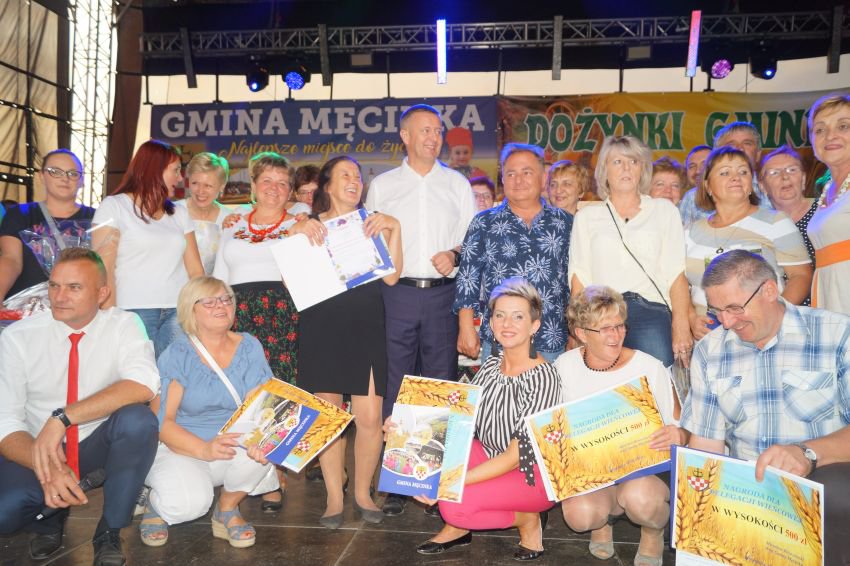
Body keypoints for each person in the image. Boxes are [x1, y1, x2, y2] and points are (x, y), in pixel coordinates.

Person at [682, 249, 850, 566]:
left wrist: (807, 453)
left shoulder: (837, 334)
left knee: (839, 493)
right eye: (717, 311)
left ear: (770, 291)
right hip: (747, 492)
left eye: (734, 308)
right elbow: (706, 448)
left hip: (822, 479)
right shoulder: (709, 352)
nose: (727, 322)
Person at [0, 247, 160, 565]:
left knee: (138, 421)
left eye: (74, 287)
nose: (59, 296)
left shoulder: (125, 324)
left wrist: (63, 417)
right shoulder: (18, 337)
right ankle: (49, 521)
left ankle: (109, 530)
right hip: (39, 448)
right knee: (5, 514)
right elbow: (5, 421)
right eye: (54, 285)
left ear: (102, 293)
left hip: (95, 443)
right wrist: (49, 468)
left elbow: (144, 384)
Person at [364, 104, 476, 515]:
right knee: (397, 382)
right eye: (424, 130)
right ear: (405, 136)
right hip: (396, 293)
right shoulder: (383, 186)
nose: (433, 137)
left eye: (438, 131)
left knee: (439, 382)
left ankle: (430, 478)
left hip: (444, 294)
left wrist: (454, 254)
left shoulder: (457, 184)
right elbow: (370, 243)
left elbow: (472, 240)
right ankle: (398, 479)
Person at [413, 278, 561, 560]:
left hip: (531, 474)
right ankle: (457, 528)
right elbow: (459, 418)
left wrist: (451, 481)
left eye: (518, 317)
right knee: (432, 456)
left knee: (454, 504)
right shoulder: (492, 364)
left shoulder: (544, 377)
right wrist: (408, 428)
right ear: (491, 323)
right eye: (500, 315)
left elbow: (515, 457)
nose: (507, 324)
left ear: (534, 326)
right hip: (491, 453)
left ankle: (528, 519)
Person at [293, 156, 403, 529]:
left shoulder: (370, 223)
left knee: (369, 417)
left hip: (366, 325)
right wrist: (298, 232)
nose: (355, 181)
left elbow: (392, 278)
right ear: (327, 184)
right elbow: (290, 275)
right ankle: (334, 498)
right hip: (323, 326)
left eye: (358, 176)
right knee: (329, 417)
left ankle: (362, 493)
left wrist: (395, 228)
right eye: (346, 175)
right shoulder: (307, 225)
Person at [140, 276, 274, 549]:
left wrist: (265, 437)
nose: (221, 306)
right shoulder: (177, 354)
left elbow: (260, 407)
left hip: (229, 446)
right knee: (188, 506)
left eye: (226, 299)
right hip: (181, 448)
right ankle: (156, 504)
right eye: (210, 302)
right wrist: (204, 449)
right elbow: (162, 424)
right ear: (190, 310)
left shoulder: (249, 346)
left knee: (266, 447)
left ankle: (227, 508)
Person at [555, 285, 683, 566]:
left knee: (641, 499)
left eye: (619, 326)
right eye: (604, 329)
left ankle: (652, 530)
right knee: (580, 516)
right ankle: (604, 521)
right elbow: (554, 423)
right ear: (581, 333)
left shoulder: (649, 366)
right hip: (592, 470)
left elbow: (679, 425)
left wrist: (677, 433)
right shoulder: (564, 366)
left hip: (642, 470)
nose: (615, 335)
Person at [212, 151, 305, 511]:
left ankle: (273, 475)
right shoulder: (232, 224)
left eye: (282, 183)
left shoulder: (299, 222)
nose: (274, 188)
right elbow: (220, 274)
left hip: (282, 316)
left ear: (291, 190)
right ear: (252, 185)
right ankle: (240, 470)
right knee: (241, 393)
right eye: (267, 180)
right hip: (237, 315)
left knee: (277, 393)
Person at [569, 135, 691, 368]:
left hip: (651, 311)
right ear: (604, 170)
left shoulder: (664, 211)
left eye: (633, 161)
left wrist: (681, 325)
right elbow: (579, 277)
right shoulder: (586, 217)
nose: (626, 168)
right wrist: (578, 330)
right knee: (606, 386)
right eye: (617, 162)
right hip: (601, 316)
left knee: (654, 385)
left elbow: (676, 274)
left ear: (642, 169)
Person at [455, 143, 573, 364]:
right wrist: (466, 327)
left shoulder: (565, 223)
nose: (518, 180)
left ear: (543, 178)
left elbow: (574, 282)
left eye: (527, 172)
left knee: (553, 389)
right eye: (511, 174)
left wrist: (576, 332)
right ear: (502, 179)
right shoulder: (484, 222)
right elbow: (467, 278)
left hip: (551, 339)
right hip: (500, 340)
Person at [685, 146, 812, 340]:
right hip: (708, 336)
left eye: (743, 172)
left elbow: (801, 276)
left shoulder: (775, 221)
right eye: (725, 172)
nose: (736, 177)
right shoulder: (690, 232)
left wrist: (775, 318)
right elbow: (678, 284)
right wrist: (691, 317)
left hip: (764, 333)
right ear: (707, 186)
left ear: (751, 183)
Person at [92, 140, 204, 358]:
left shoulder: (179, 214)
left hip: (178, 312)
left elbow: (196, 270)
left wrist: (200, 308)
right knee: (139, 375)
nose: (180, 178)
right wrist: (109, 317)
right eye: (175, 170)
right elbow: (104, 269)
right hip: (132, 311)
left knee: (176, 374)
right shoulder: (114, 207)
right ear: (154, 169)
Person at [0, 149, 95, 301]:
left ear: (81, 180)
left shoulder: (97, 217)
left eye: (73, 173)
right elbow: (11, 260)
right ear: (41, 176)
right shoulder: (20, 214)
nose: (65, 178)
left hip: (79, 305)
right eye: (55, 172)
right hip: (27, 307)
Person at [806, 92, 850, 315]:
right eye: (820, 130)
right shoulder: (827, 189)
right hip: (831, 302)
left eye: (843, 126)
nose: (831, 136)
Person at [759, 145, 818, 304]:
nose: (785, 177)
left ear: (803, 179)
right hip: (781, 308)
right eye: (774, 173)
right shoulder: (761, 225)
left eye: (792, 170)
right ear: (762, 186)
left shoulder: (825, 211)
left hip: (828, 303)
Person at [176, 152, 232, 274]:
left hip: (214, 285)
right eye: (195, 183)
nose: (200, 191)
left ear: (222, 186)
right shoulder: (173, 212)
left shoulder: (229, 218)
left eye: (208, 186)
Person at [677, 145, 712, 229]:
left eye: (704, 164)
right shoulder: (690, 197)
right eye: (692, 166)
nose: (698, 171)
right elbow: (684, 233)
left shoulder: (734, 191)